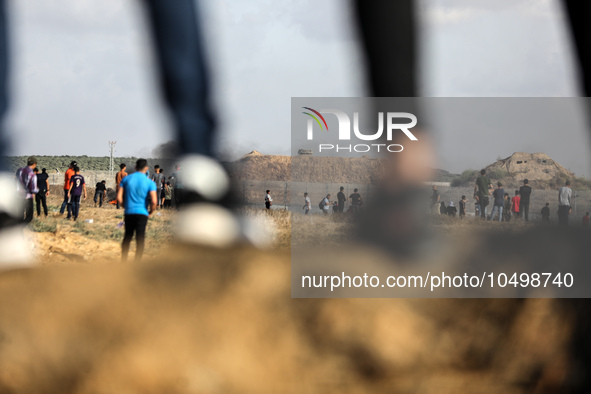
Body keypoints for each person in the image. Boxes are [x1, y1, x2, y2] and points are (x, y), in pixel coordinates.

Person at [117, 159, 158, 262]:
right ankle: (137, 263)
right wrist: (150, 212)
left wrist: (124, 206)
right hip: (142, 213)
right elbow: (154, 201)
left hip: (129, 212)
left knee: (128, 235)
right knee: (140, 238)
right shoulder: (149, 182)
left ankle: (124, 261)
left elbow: (119, 197)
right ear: (146, 168)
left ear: (135, 168)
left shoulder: (126, 179)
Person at [15, 156, 38, 224]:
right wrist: (37, 190)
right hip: (27, 197)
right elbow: (33, 190)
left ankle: (19, 231)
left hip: (18, 196)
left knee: (20, 216)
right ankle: (20, 228)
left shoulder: (19, 170)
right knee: (29, 216)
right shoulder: (32, 174)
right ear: (34, 164)